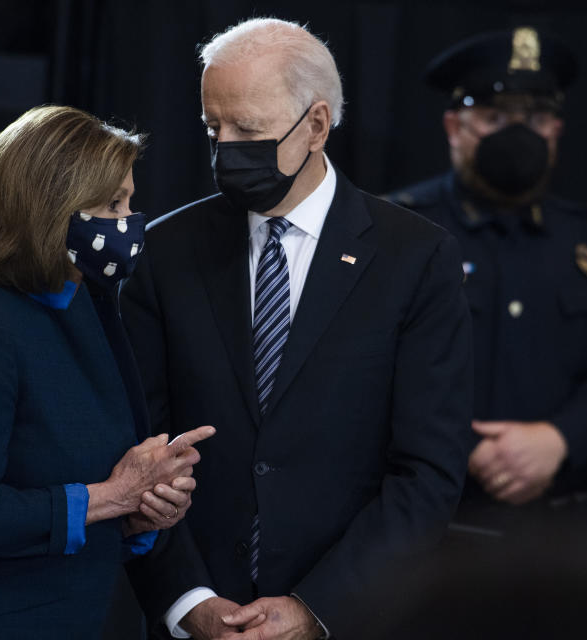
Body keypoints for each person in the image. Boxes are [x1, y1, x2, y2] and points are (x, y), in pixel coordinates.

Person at [122, 17, 474, 639]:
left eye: (248, 129)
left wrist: (317, 610)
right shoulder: (164, 252)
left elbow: (426, 474)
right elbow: (135, 448)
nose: (225, 148)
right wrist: (188, 600)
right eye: (213, 128)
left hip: (352, 616)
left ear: (316, 125)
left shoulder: (415, 258)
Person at [0, 105, 215, 639]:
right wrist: (116, 494)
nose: (131, 220)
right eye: (112, 204)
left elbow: (84, 498)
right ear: (50, 207)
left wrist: (145, 513)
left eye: (129, 201)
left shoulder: (92, 306)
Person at [386, 27, 587, 536]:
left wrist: (561, 438)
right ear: (453, 126)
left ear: (556, 128)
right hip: (426, 533)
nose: (518, 135)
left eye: (534, 118)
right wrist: (464, 448)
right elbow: (365, 367)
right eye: (493, 117)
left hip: (569, 531)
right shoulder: (396, 233)